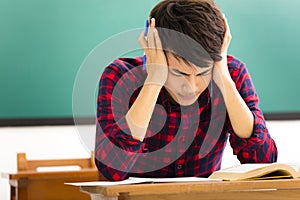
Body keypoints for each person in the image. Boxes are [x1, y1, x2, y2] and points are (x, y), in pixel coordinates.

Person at [94, 0, 277, 181]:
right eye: (178, 73)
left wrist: (223, 77)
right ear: (154, 50)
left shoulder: (231, 73)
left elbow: (262, 160)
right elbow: (112, 170)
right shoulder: (120, 77)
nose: (191, 86)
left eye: (202, 73)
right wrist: (154, 80)